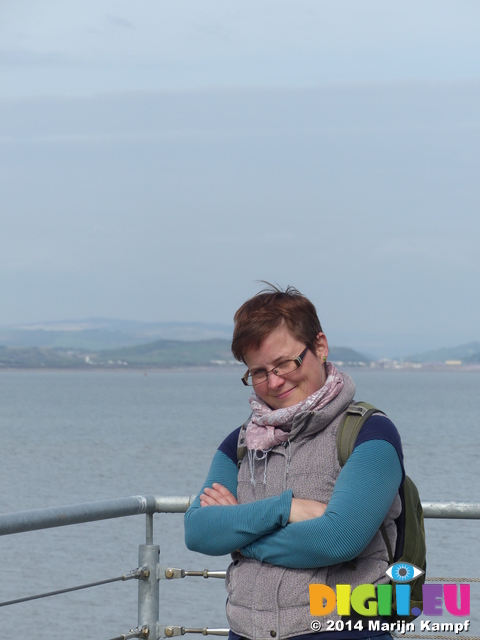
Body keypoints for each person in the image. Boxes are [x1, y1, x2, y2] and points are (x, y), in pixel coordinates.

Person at [184, 285, 404, 640]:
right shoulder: (240, 443)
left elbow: (338, 538)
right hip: (246, 631)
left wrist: (240, 537)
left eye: (285, 362)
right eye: (258, 372)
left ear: (320, 346)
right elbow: (199, 531)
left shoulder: (370, 432)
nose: (274, 381)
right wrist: (285, 510)